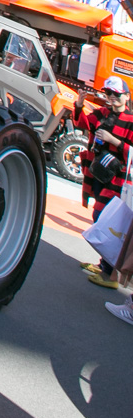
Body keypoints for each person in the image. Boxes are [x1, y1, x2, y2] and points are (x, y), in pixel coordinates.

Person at [75, 75, 133, 287]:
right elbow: (81, 123)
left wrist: (113, 141)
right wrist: (79, 104)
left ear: (126, 96)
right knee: (101, 218)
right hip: (98, 172)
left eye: (116, 94)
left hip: (118, 179)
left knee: (105, 218)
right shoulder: (102, 113)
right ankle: (104, 265)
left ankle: (111, 274)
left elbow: (131, 152)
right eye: (108, 93)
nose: (111, 98)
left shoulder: (131, 121)